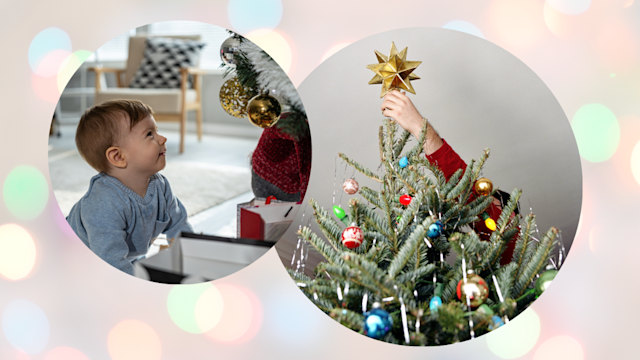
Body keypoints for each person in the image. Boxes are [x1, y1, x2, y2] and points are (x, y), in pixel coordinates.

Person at [381, 90, 517, 264]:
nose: (481, 205)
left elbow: (466, 189)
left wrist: (419, 127)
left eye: (492, 203)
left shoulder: (513, 241)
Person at [66, 99, 192, 275]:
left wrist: (192, 258)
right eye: (149, 134)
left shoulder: (160, 185)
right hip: (71, 260)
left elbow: (178, 224)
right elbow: (111, 263)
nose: (162, 138)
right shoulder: (103, 203)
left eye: (156, 131)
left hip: (125, 259)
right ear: (118, 156)